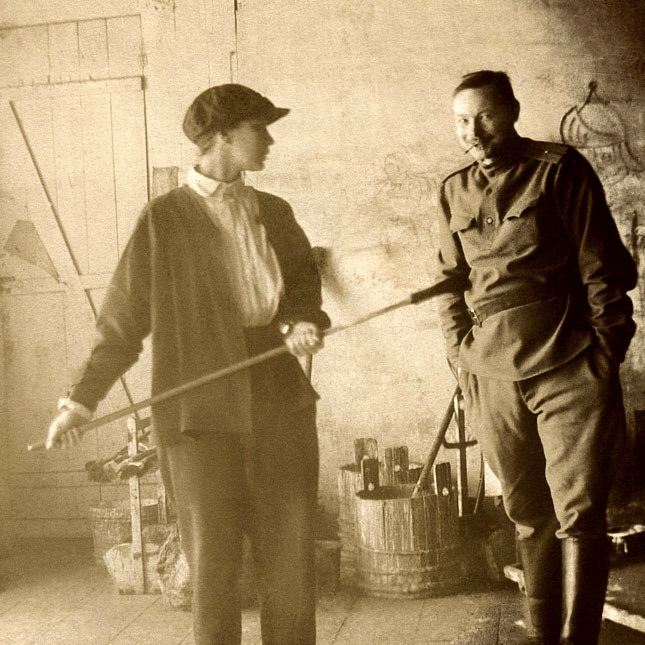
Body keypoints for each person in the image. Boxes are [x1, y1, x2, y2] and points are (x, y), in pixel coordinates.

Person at [44, 83, 330, 645]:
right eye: (259, 128)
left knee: (292, 567)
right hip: (198, 411)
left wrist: (302, 322)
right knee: (213, 572)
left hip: (278, 394)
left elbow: (302, 288)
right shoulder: (163, 220)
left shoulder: (274, 211)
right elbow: (121, 325)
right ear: (222, 136)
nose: (269, 139)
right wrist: (79, 402)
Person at [434, 70, 637, 645]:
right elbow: (450, 284)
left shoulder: (560, 170)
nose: (472, 131)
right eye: (460, 121)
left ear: (513, 110)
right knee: (527, 511)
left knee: (579, 513)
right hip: (491, 373)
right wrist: (460, 356)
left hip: (568, 361)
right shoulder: (453, 191)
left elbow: (603, 269)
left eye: (485, 116)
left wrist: (604, 354)